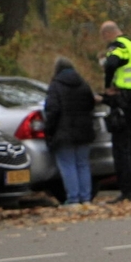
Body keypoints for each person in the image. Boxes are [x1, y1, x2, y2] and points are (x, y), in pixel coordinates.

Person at [99, 20, 131, 203]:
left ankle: (126, 191)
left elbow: (111, 64)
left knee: (121, 147)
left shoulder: (118, 45)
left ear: (107, 34)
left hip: (124, 100)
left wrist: (107, 87)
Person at [44, 57, 96, 205]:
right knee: (83, 164)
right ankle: (86, 198)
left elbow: (52, 110)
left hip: (63, 132)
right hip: (84, 131)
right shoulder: (83, 84)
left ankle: (73, 198)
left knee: (68, 165)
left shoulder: (55, 85)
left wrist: (49, 130)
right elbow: (91, 104)